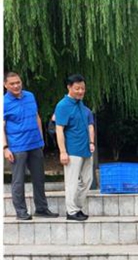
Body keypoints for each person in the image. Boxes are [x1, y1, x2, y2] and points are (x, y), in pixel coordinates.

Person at [2, 72, 59, 220]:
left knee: (39, 178)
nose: (16, 86)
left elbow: (36, 117)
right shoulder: (4, 103)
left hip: (35, 144)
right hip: (17, 147)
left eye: (18, 82)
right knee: (18, 180)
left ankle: (41, 208)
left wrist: (41, 139)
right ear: (5, 85)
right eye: (12, 83)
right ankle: (21, 211)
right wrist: (5, 147)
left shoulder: (30, 96)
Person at [54, 74, 95, 221]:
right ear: (69, 87)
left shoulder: (81, 105)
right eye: (77, 88)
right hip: (72, 150)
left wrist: (91, 143)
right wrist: (63, 152)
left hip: (85, 149)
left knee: (87, 180)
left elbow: (89, 127)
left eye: (83, 88)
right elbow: (59, 129)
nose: (80, 91)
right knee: (71, 182)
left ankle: (77, 207)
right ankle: (71, 212)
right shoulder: (63, 106)